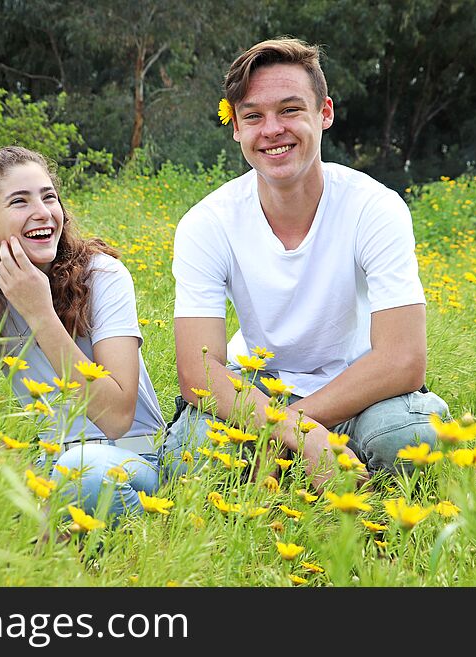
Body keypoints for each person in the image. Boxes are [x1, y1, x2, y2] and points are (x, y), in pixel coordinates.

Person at [163, 38, 450, 487]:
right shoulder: (207, 222)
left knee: (411, 437)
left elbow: (402, 360)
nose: (271, 129)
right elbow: (198, 371)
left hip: (360, 391)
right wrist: (296, 431)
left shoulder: (374, 207)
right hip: (258, 387)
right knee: (195, 459)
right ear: (236, 128)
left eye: (290, 110)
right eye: (253, 116)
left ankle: (337, 477)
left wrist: (286, 430)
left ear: (325, 113)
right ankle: (311, 464)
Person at [0, 145, 165, 519]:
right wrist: (23, 485)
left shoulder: (103, 276)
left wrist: (41, 314)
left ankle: (93, 535)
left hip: (129, 455)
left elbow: (117, 416)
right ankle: (38, 518)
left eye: (49, 196)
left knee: (81, 470)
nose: (43, 213)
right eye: (20, 201)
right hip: (49, 465)